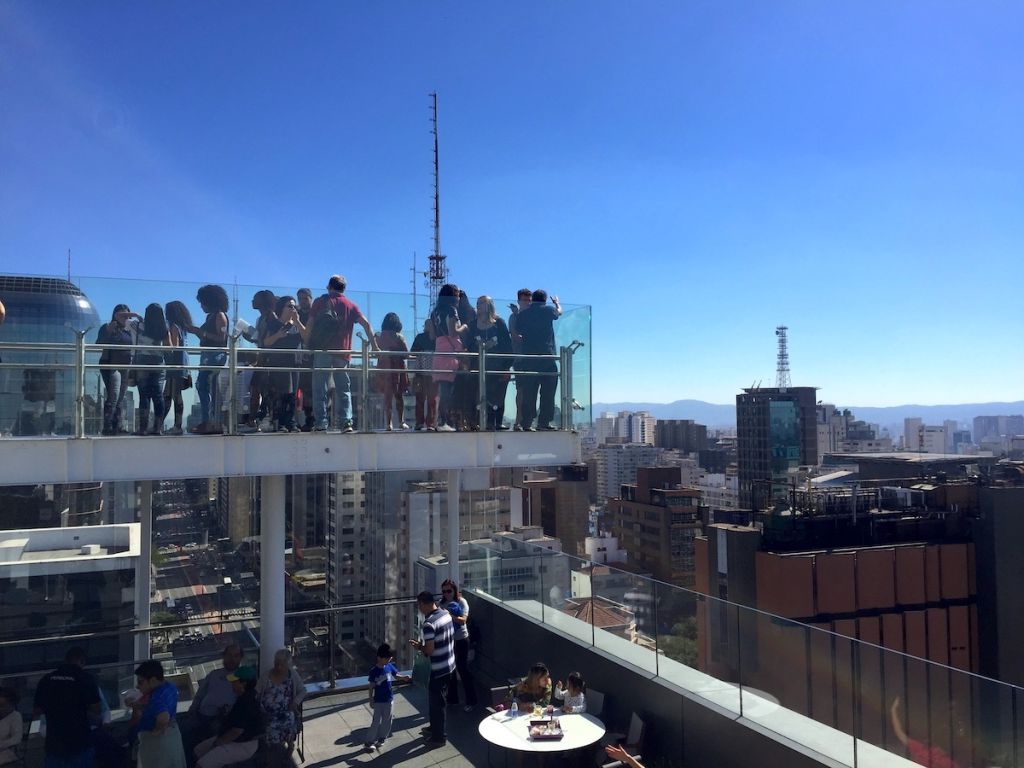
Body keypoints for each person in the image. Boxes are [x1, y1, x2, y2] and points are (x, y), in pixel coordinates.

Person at [304, 275, 375, 433]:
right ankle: (346, 423)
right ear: (344, 288)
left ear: (329, 286)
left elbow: (309, 324)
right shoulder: (351, 305)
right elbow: (367, 325)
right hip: (343, 352)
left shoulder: (320, 302)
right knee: (344, 388)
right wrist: (375, 347)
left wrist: (307, 345)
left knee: (319, 388)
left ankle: (321, 423)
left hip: (322, 350)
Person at [32, 647, 102, 767]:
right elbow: (97, 708)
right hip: (79, 740)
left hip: (55, 740)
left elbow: (37, 710)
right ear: (82, 661)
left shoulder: (47, 679)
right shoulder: (86, 679)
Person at [409, 590, 455, 747]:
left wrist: (419, 647)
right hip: (450, 664)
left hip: (438, 668)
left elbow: (429, 650)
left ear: (423, 603)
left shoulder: (429, 624)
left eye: (419, 605)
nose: (419, 609)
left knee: (437, 703)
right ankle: (434, 728)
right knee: (438, 700)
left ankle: (439, 736)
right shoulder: (445, 614)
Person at [193, 666, 263, 768]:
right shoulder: (245, 696)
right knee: (198, 751)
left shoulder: (246, 703)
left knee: (202, 765)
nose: (231, 683)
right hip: (231, 738)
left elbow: (236, 731)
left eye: (235, 681)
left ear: (243, 683)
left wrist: (218, 744)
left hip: (242, 744)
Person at [514, 289, 562, 431]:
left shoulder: (523, 314)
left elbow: (517, 332)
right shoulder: (548, 310)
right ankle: (544, 422)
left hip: (529, 357)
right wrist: (557, 303)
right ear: (545, 300)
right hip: (547, 356)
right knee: (548, 391)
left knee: (529, 391)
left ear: (533, 299)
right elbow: (559, 312)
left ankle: (527, 422)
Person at [466, 296, 514, 430]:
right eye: (478, 303)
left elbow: (507, 346)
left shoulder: (499, 323)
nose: (479, 305)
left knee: (498, 395)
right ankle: (478, 421)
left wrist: (507, 366)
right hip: (478, 367)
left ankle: (496, 421)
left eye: (482, 303)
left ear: (489, 305)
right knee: (478, 395)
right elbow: (468, 345)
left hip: (498, 367)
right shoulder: (472, 324)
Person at [187, 285, 229, 435]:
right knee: (205, 387)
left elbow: (221, 339)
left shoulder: (219, 316)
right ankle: (210, 421)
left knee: (205, 386)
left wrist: (201, 332)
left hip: (214, 356)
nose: (201, 306)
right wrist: (196, 332)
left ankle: (210, 421)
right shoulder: (211, 316)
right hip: (208, 356)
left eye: (202, 302)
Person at [131, 660, 187, 768]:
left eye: (140, 682)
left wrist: (156, 732)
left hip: (158, 742)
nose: (138, 686)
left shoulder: (156, 699)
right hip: (173, 734)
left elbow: (163, 717)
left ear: (152, 680)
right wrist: (136, 705)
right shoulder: (169, 686)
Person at [262, 296, 305, 432]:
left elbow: (306, 337)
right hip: (280, 362)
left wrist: (297, 322)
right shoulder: (274, 323)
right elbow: (266, 342)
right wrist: (278, 336)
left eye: (294, 306)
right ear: (282, 308)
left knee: (293, 394)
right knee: (283, 393)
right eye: (289, 306)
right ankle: (281, 423)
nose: (293, 308)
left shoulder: (297, 324)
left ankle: (291, 422)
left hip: (296, 362)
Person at [187, 645, 243, 748]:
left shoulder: (243, 678)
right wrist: (193, 709)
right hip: (202, 714)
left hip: (222, 719)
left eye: (236, 656)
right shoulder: (214, 674)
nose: (232, 659)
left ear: (240, 658)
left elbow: (244, 703)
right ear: (224, 656)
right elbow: (200, 694)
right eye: (229, 655)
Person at [96, 304, 139, 435]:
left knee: (120, 397)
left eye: (127, 315)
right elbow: (98, 343)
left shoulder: (128, 330)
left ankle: (117, 426)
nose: (125, 317)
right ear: (115, 315)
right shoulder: (107, 327)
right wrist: (108, 331)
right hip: (110, 364)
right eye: (122, 315)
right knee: (113, 395)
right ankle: (107, 426)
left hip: (125, 366)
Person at [239, 290, 276, 432]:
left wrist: (256, 339)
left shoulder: (271, 317)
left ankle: (258, 420)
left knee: (263, 390)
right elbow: (260, 338)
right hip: (262, 357)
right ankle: (253, 420)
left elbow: (269, 339)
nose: (252, 301)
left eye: (255, 298)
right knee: (256, 389)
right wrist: (250, 336)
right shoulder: (261, 319)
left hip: (268, 359)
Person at [256, 648, 305, 755]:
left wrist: (295, 702)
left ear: (288, 665)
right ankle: (276, 754)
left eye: (282, 665)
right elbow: (256, 694)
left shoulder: (292, 675)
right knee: (271, 732)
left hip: (287, 712)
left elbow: (302, 690)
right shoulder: (266, 677)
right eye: (276, 663)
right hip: (269, 715)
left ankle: (290, 745)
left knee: (289, 723)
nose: (278, 667)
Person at [364, 643, 411, 753]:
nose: (388, 660)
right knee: (376, 721)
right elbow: (371, 687)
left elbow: (396, 675)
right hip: (379, 701)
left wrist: (404, 678)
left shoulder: (389, 666)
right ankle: (369, 742)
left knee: (387, 720)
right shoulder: (374, 671)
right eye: (387, 659)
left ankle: (382, 738)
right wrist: (371, 699)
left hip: (389, 699)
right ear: (379, 658)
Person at [890, 696, 961, 768]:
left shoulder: (922, 750)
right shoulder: (949, 762)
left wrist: (893, 710)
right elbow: (901, 735)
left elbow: (900, 734)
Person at [441, 579, 477, 711]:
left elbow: (463, 620)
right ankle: (452, 698)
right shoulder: (442, 603)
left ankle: (471, 700)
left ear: (454, 590)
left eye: (449, 591)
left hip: (461, 639)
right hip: (449, 640)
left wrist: (450, 616)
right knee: (450, 670)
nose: (447, 594)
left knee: (462, 669)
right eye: (444, 591)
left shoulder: (461, 602)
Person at [135, 303, 171, 435]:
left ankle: (143, 428)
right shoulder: (164, 329)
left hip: (142, 362)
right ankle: (157, 428)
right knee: (158, 396)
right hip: (158, 363)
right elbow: (170, 348)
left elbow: (118, 316)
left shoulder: (138, 326)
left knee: (144, 396)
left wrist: (135, 315)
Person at [375, 312, 409, 430]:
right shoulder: (399, 337)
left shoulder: (378, 336)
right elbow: (406, 354)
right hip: (397, 368)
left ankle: (388, 423)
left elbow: (375, 353)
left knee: (387, 396)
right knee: (399, 395)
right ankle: (401, 421)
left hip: (383, 367)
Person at [163, 301, 194, 435]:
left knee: (169, 395)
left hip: (174, 366)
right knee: (173, 395)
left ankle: (174, 425)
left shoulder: (173, 328)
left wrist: (164, 344)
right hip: (182, 365)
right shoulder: (182, 328)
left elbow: (173, 347)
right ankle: (176, 425)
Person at [507, 288, 532, 431]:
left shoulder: (532, 316)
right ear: (519, 301)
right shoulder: (514, 317)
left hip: (532, 358)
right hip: (520, 358)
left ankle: (528, 420)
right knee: (521, 390)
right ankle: (518, 420)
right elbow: (515, 336)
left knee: (532, 390)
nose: (527, 303)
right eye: (524, 300)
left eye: (529, 300)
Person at [409, 319, 437, 431]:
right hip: (420, 372)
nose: (428, 326)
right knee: (419, 398)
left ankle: (430, 423)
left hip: (434, 373)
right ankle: (419, 422)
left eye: (431, 324)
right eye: (427, 324)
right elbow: (413, 352)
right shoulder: (420, 337)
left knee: (432, 399)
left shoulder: (437, 338)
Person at [295, 288, 315, 430]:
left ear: (310, 298)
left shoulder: (316, 313)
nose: (302, 302)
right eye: (300, 299)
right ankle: (300, 418)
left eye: (304, 298)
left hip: (312, 354)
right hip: (298, 355)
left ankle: (311, 419)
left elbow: (310, 334)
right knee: (300, 387)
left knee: (311, 389)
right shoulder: (297, 313)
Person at [0, 688, 23, 766]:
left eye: (2, 706)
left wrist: (2, 745)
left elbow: (17, 738)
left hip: (7, 758)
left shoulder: (15, 716)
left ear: (12, 705)